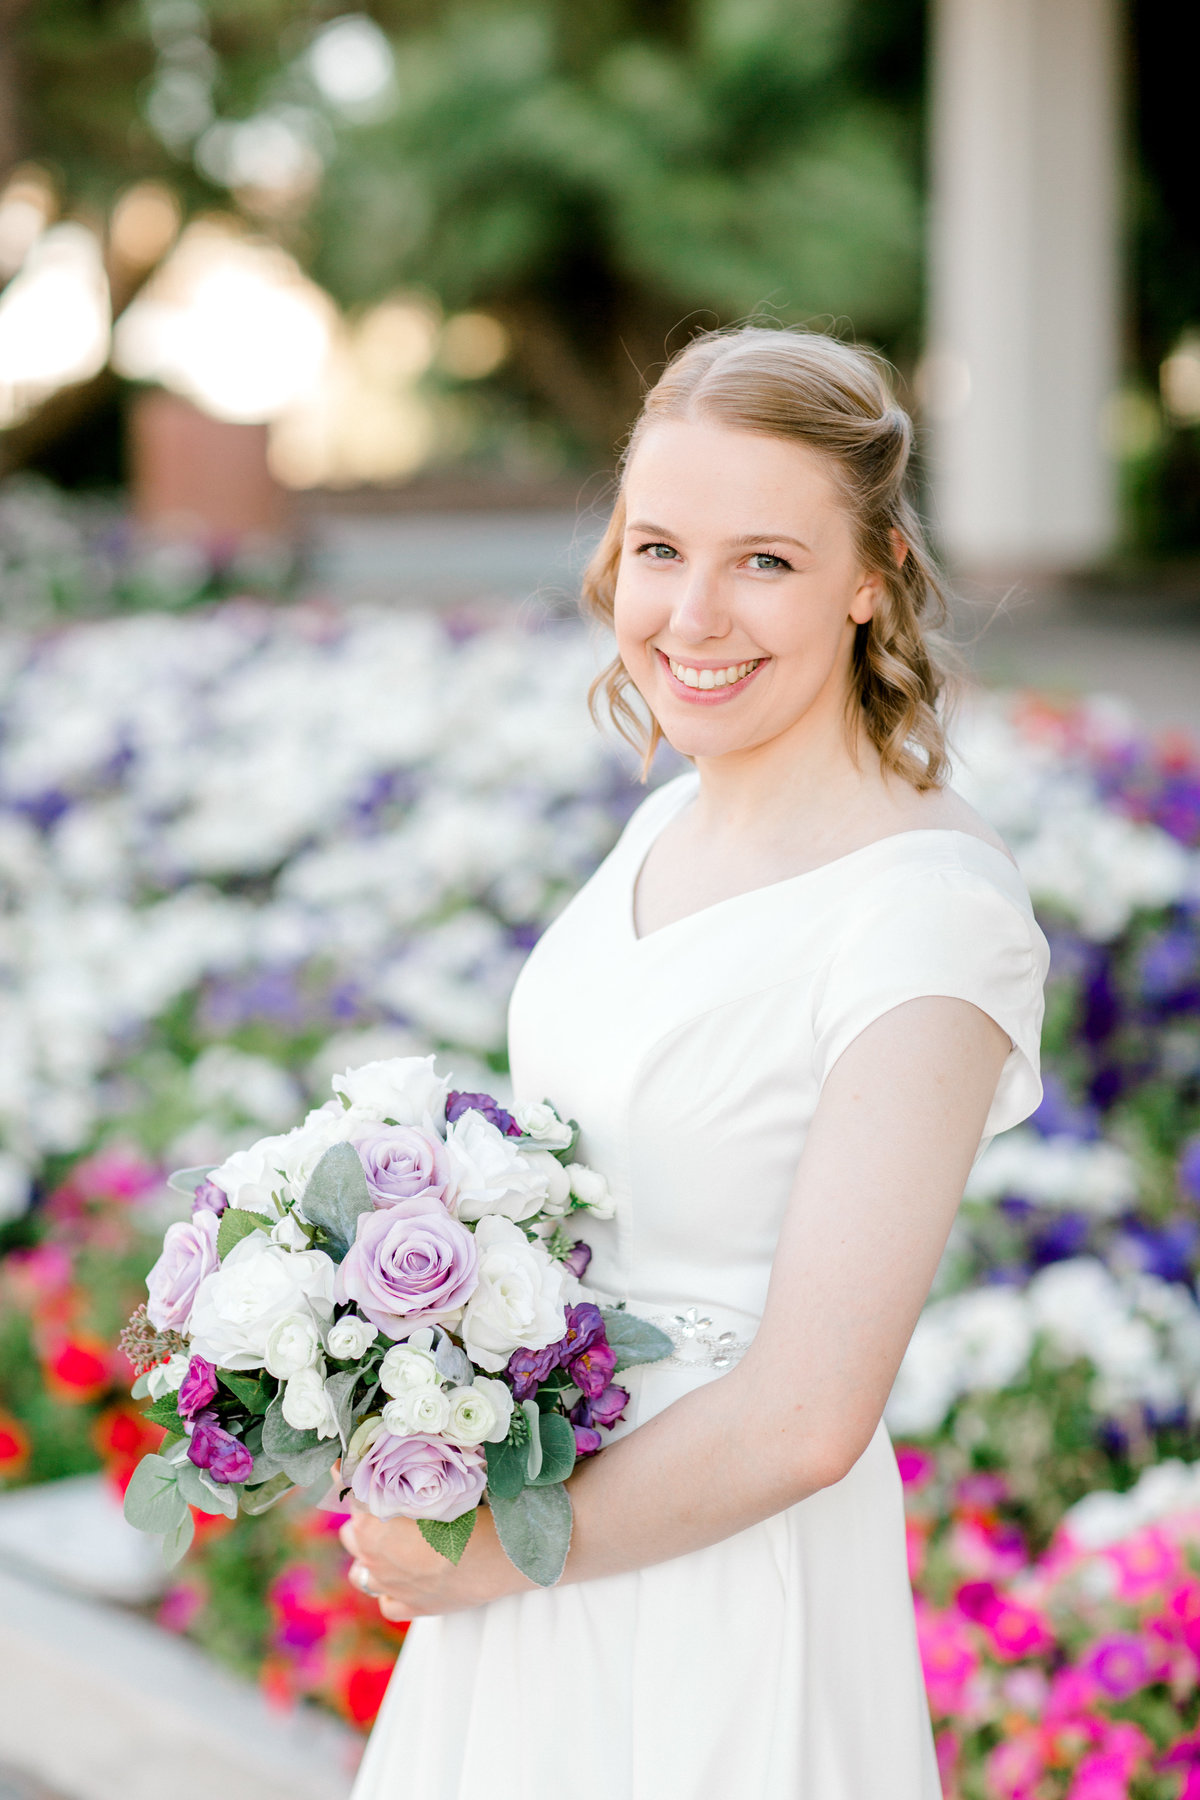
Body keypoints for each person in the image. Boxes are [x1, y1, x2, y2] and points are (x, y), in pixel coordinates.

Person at [341, 326, 1049, 1799]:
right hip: (543, 1534)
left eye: (767, 562)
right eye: (661, 547)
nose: (693, 614)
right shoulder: (669, 822)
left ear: (874, 579)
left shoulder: (926, 918)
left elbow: (806, 1418)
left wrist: (494, 1556)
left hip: (717, 1590)